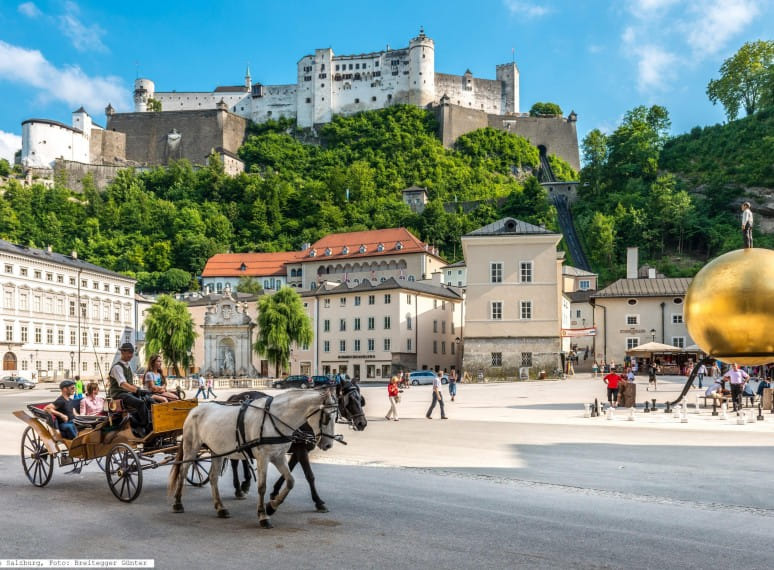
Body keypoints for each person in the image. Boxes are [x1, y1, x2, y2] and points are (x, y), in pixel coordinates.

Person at [108, 343, 151, 437]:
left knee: (149, 399)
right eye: (129, 352)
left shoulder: (128, 366)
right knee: (140, 403)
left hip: (127, 393)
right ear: (122, 352)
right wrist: (137, 391)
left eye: (132, 352)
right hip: (119, 394)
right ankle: (144, 426)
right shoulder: (117, 367)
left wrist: (140, 390)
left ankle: (149, 421)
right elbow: (123, 384)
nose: (131, 355)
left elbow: (130, 384)